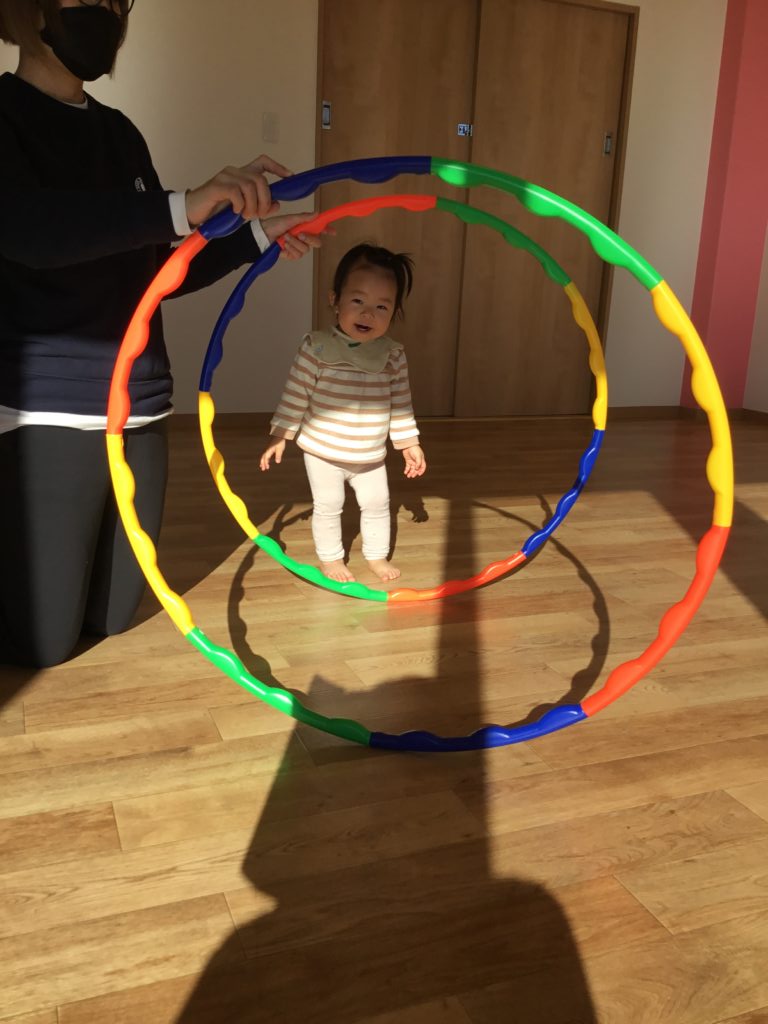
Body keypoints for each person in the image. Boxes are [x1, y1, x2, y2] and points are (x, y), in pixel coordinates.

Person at [0, 0, 321, 668]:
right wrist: (179, 206)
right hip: (52, 411)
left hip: (143, 406)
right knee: (43, 646)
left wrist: (258, 235)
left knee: (115, 620)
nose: (108, 12)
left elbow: (156, 269)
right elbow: (32, 234)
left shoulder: (120, 133)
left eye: (118, 0)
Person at [260, 243, 427, 583]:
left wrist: (409, 443)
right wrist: (280, 435)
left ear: (394, 312)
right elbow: (296, 393)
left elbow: (401, 403)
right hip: (323, 451)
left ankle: (376, 556)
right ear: (335, 300)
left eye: (382, 306)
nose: (368, 314)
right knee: (329, 504)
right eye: (358, 301)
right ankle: (331, 559)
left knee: (378, 503)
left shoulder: (392, 355)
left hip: (370, 454)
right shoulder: (317, 348)